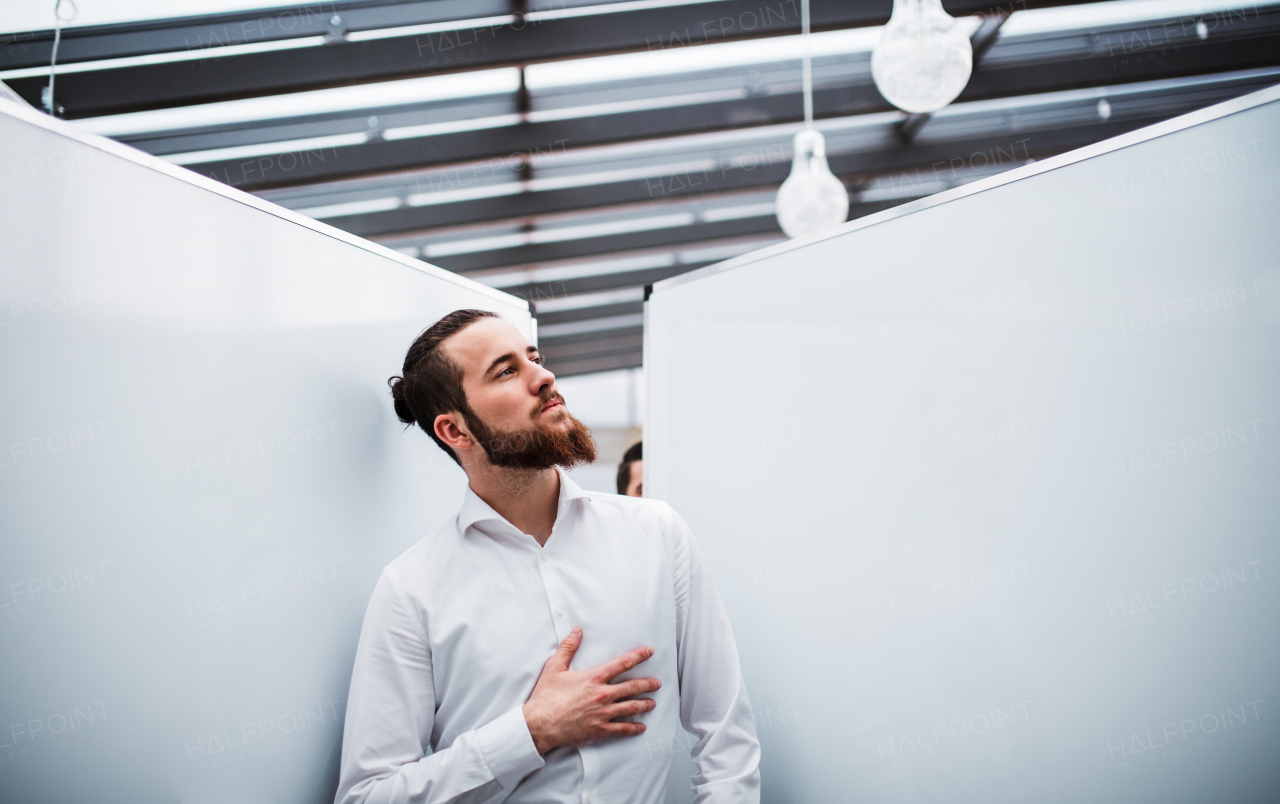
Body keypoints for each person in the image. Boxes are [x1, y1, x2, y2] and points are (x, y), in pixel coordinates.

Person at [334, 310, 760, 804]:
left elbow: (726, 738)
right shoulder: (410, 590)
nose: (545, 376)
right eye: (506, 370)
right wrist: (529, 732)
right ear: (455, 431)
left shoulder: (657, 533)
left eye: (533, 358)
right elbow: (367, 796)